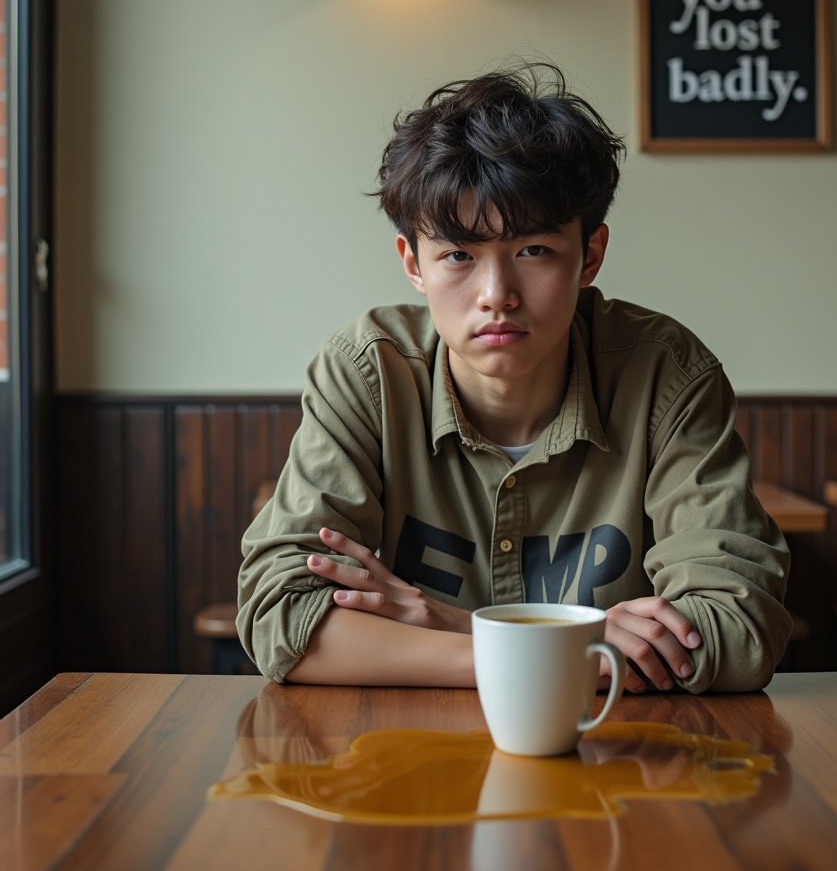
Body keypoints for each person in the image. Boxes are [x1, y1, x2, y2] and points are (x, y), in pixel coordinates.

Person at [237, 62, 791, 694]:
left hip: (617, 765)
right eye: (458, 256)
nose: (496, 296)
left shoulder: (665, 373)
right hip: (404, 767)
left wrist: (451, 625)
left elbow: (738, 628)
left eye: (532, 251)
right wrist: (541, 648)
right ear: (413, 264)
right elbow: (282, 617)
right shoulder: (369, 372)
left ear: (590, 255)